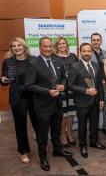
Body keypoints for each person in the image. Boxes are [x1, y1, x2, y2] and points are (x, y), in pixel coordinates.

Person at [25, 37, 72, 171]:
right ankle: (43, 157)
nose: (47, 49)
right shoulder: (33, 63)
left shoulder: (57, 60)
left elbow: (63, 77)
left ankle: (58, 150)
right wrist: (47, 91)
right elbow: (29, 85)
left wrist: (62, 85)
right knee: (43, 134)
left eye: (50, 46)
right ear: (40, 47)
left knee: (56, 130)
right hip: (42, 105)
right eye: (45, 46)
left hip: (57, 103)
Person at [1, 37, 38, 164]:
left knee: (38, 123)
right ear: (11, 49)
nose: (16, 48)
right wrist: (3, 80)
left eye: (19, 45)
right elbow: (4, 79)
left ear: (24, 47)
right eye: (14, 46)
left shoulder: (34, 60)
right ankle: (22, 151)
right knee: (20, 126)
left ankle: (41, 145)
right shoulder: (7, 62)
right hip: (18, 97)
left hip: (34, 96)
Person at [69, 43, 106, 158]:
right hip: (82, 102)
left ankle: (94, 141)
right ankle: (82, 145)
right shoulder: (75, 67)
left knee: (94, 123)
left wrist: (101, 99)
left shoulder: (96, 65)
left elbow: (99, 84)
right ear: (80, 52)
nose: (86, 53)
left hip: (95, 101)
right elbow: (70, 85)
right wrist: (85, 91)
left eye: (88, 51)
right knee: (82, 125)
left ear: (91, 52)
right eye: (84, 51)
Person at [53, 37, 78, 147]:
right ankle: (62, 135)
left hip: (72, 89)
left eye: (64, 43)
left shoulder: (73, 56)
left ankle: (69, 133)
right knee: (63, 114)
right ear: (56, 46)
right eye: (59, 44)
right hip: (61, 89)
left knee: (71, 113)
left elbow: (78, 71)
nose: (62, 45)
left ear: (67, 45)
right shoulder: (53, 57)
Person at [90, 33, 106, 137]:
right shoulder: (87, 53)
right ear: (91, 41)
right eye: (94, 40)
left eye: (98, 40)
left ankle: (105, 126)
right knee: (94, 107)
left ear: (101, 41)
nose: (96, 42)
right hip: (93, 85)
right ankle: (93, 129)